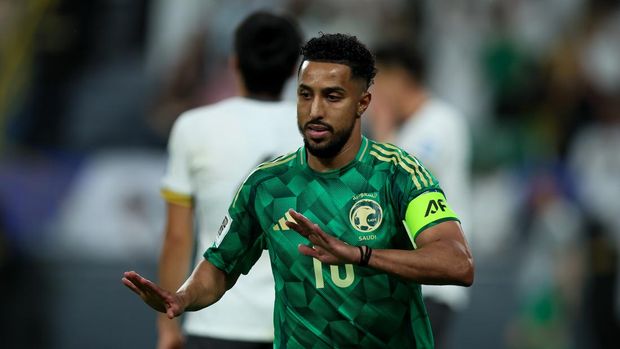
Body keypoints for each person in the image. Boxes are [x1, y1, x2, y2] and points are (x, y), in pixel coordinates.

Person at [123, 33, 474, 349]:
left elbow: (458, 263)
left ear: (362, 103)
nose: (315, 111)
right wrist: (183, 299)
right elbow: (219, 266)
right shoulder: (267, 185)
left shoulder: (398, 173)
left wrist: (361, 255)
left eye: (333, 97)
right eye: (306, 95)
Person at [155, 12, 302, 349]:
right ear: (295, 69)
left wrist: (168, 327)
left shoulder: (194, 127)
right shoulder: (316, 132)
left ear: (234, 63)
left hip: (217, 322)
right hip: (299, 325)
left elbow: (177, 238)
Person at [369, 43, 472, 348]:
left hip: (433, 280)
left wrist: (383, 125)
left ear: (400, 78)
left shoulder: (440, 122)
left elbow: (398, 183)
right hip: (405, 280)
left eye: (379, 80)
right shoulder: (408, 129)